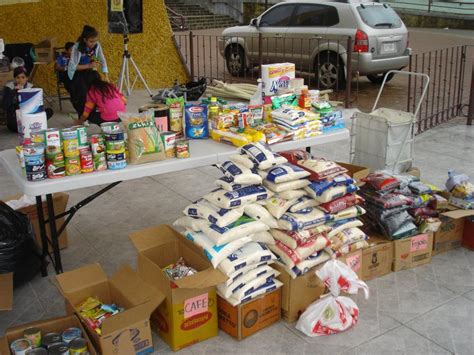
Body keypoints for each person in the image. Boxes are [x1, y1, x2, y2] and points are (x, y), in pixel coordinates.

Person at [68, 25, 109, 116]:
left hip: (90, 70)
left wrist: (105, 74)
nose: (93, 43)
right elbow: (73, 67)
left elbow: (102, 58)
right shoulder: (77, 47)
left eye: (95, 41)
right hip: (77, 72)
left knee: (98, 88)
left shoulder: (97, 45)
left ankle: (95, 112)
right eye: (91, 41)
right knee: (82, 93)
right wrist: (89, 65)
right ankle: (82, 115)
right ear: (84, 40)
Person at [2, 66, 53, 132]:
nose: (20, 80)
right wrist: (14, 92)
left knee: (49, 111)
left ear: (27, 78)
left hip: (30, 114)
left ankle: (30, 124)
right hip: (15, 116)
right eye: (18, 77)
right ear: (14, 78)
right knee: (12, 124)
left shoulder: (31, 87)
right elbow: (4, 106)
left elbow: (38, 104)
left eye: (23, 77)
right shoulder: (9, 87)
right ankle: (30, 125)